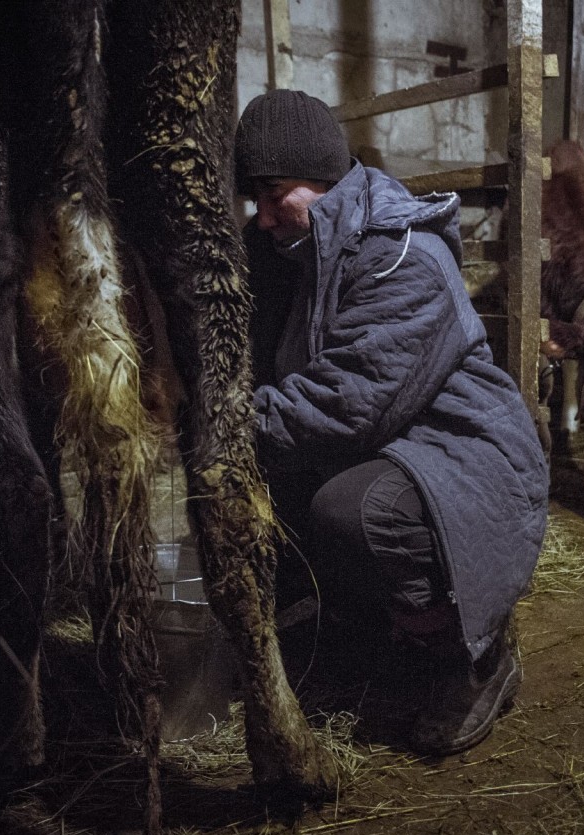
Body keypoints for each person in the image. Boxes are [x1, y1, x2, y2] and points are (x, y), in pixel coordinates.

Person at [234, 89, 549, 756]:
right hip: (396, 443)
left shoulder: (402, 256)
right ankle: (374, 626)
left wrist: (226, 424)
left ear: (322, 178)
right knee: (275, 484)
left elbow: (344, 404)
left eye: (274, 194)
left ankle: (475, 657)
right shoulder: (296, 250)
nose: (262, 216)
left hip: (468, 452)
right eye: (253, 198)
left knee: (353, 512)